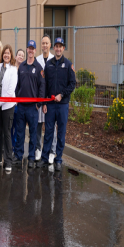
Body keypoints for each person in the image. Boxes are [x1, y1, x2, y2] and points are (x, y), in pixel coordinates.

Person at [39, 37, 76, 172]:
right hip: (50, 105)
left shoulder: (68, 65)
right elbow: (45, 85)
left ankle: (58, 159)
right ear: (53, 48)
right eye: (56, 46)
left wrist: (62, 95)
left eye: (61, 46)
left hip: (62, 105)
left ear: (63, 48)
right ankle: (44, 158)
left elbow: (72, 84)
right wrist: (44, 102)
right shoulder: (48, 65)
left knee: (61, 133)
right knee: (48, 132)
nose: (58, 49)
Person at [14, 40, 45, 170]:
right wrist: (17, 97)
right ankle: (19, 155)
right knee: (20, 133)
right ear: (27, 50)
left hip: (33, 107)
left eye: (33, 49)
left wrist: (39, 103)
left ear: (35, 51)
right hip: (21, 106)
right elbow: (18, 85)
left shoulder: (39, 68)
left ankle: (31, 157)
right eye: (29, 48)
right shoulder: (21, 67)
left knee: (33, 133)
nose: (31, 51)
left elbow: (42, 87)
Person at [0, 44, 18, 172]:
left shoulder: (14, 70)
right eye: (4, 53)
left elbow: (10, 89)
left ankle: (8, 161)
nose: (6, 55)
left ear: (11, 55)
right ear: (2, 55)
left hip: (7, 106)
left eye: (8, 53)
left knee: (7, 133)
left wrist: (0, 102)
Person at [36, 34, 57, 162]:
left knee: (51, 126)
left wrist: (47, 101)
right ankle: (38, 149)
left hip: (50, 100)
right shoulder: (37, 60)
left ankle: (52, 151)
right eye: (43, 43)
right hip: (39, 99)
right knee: (38, 125)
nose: (44, 45)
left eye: (46, 43)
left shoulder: (54, 60)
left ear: (50, 45)